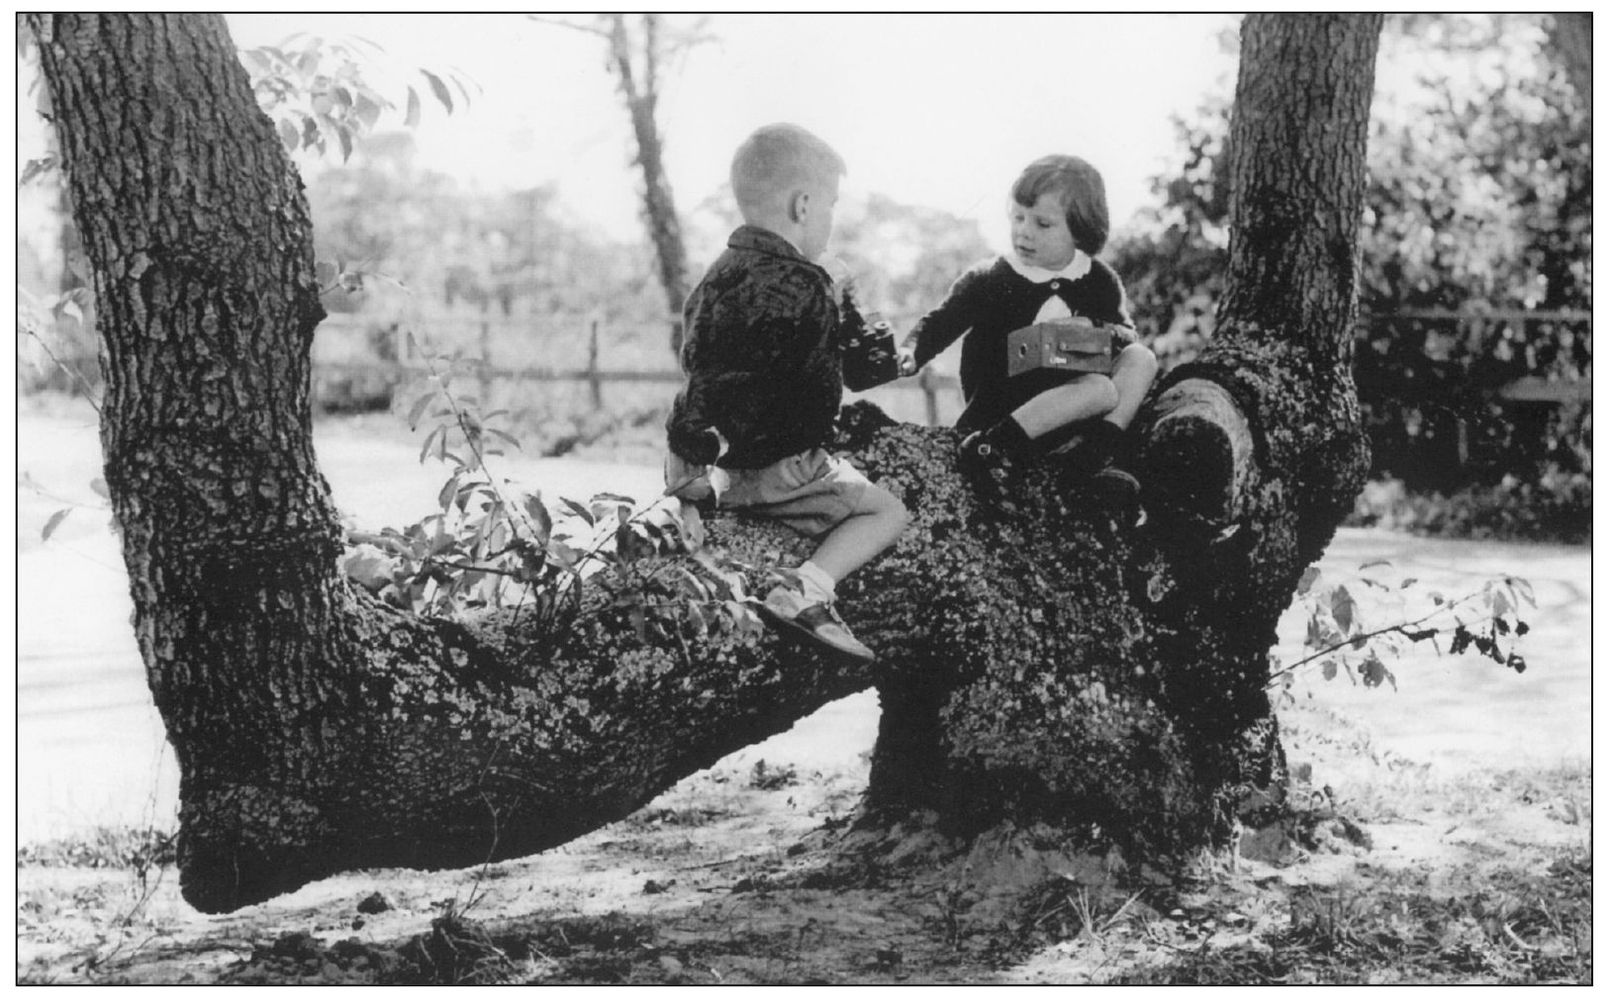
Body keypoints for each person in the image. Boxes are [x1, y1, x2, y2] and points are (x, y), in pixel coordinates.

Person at [664, 123, 910, 662]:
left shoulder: (714, 278)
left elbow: (701, 377)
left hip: (728, 475)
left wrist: (688, 472)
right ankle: (807, 588)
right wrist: (852, 298)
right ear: (803, 205)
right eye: (830, 206)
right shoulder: (810, 286)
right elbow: (858, 375)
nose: (829, 220)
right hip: (788, 473)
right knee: (890, 514)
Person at [897, 154, 1158, 514]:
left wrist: (1097, 331)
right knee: (1099, 389)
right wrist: (911, 351)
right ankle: (990, 449)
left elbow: (1125, 333)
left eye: (1043, 223)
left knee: (1141, 358)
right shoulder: (990, 278)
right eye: (1018, 217)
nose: (1024, 230)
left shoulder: (1098, 280)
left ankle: (1097, 455)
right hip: (1003, 407)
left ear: (1080, 229)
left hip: (1072, 409)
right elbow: (941, 321)